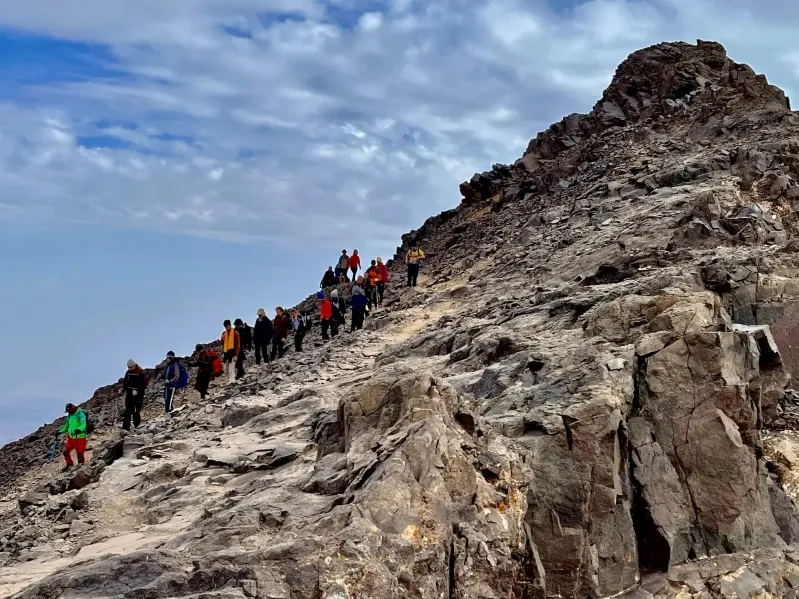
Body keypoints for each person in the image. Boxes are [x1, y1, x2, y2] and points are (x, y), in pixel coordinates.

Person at [59, 403, 88, 471]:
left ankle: (80, 466)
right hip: (71, 437)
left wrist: (79, 429)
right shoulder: (69, 416)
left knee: (80, 453)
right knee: (65, 451)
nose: (68, 412)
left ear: (73, 408)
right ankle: (69, 465)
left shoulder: (80, 414)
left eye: (69, 410)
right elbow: (67, 426)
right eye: (68, 411)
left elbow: (84, 424)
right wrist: (60, 432)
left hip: (80, 436)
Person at [122, 359, 147, 431]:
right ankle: (125, 429)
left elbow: (143, 385)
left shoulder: (140, 373)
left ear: (134, 366)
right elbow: (125, 383)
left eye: (130, 367)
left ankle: (137, 427)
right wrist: (122, 389)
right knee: (127, 411)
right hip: (129, 394)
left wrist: (137, 390)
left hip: (138, 396)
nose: (129, 369)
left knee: (136, 411)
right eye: (128, 368)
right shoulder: (128, 373)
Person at [163, 351, 184, 416]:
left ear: (171, 358)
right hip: (167, 385)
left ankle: (169, 412)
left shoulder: (175, 365)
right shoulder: (168, 365)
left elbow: (177, 376)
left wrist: (170, 381)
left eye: (168, 357)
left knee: (169, 398)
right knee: (166, 398)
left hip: (172, 385)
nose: (166, 359)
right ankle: (168, 411)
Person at [221, 320, 241, 385]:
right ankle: (227, 381)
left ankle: (232, 381)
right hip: (226, 354)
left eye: (227, 326)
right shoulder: (224, 333)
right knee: (225, 369)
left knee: (231, 368)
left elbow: (238, 345)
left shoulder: (235, 333)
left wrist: (236, 355)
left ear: (230, 325)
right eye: (225, 327)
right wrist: (222, 339)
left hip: (232, 353)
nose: (226, 328)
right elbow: (222, 344)